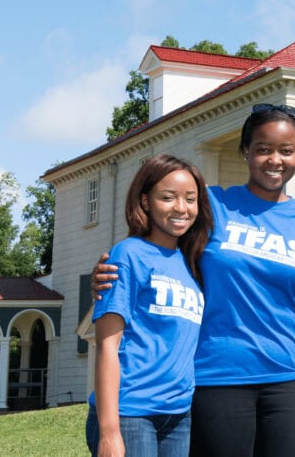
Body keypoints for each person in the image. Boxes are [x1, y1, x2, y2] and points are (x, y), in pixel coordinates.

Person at [95, 104, 295, 456]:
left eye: (287, 150)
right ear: (245, 152)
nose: (275, 160)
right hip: (217, 377)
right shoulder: (212, 205)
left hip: (288, 377)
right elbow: (159, 240)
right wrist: (108, 274)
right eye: (263, 149)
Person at [85, 154, 212, 457]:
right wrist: (109, 432)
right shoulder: (127, 255)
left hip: (179, 414)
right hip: (130, 412)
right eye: (168, 198)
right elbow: (106, 347)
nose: (181, 208)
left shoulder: (193, 264)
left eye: (190, 199)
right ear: (145, 202)